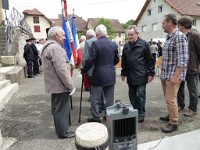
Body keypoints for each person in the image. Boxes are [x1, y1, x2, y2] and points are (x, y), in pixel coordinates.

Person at [41, 26, 75, 139]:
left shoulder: (48, 46)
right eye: (63, 35)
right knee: (61, 110)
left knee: (58, 109)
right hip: (60, 85)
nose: (65, 38)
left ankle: (61, 130)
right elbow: (61, 69)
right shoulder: (55, 48)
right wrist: (70, 85)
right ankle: (63, 132)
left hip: (55, 85)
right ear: (56, 35)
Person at [81, 24, 119, 122]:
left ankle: (96, 117)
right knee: (109, 99)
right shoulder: (113, 44)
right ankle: (108, 117)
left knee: (95, 98)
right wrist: (109, 65)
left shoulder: (96, 44)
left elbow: (90, 60)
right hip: (110, 74)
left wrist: (84, 70)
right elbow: (116, 59)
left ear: (97, 34)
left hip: (98, 74)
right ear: (106, 33)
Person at [160, 13, 188, 133]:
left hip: (173, 75)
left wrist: (176, 76)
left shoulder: (179, 37)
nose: (162, 26)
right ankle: (171, 115)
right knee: (168, 98)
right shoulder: (169, 37)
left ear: (170, 23)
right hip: (166, 74)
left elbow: (183, 59)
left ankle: (174, 122)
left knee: (171, 99)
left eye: (163, 23)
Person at [121, 25, 155, 123]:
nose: (130, 36)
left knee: (140, 94)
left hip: (141, 74)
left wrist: (151, 73)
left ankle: (141, 113)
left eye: (132, 34)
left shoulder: (144, 44)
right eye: (128, 35)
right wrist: (123, 73)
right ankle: (135, 111)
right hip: (130, 75)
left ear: (137, 34)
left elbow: (150, 60)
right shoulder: (126, 45)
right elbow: (124, 60)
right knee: (131, 94)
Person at [177, 16, 200, 116]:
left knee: (192, 90)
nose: (177, 26)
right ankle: (180, 105)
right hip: (181, 68)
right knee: (179, 88)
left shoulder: (195, 35)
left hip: (192, 68)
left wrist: (197, 66)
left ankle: (193, 109)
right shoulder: (180, 35)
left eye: (178, 24)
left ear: (183, 25)